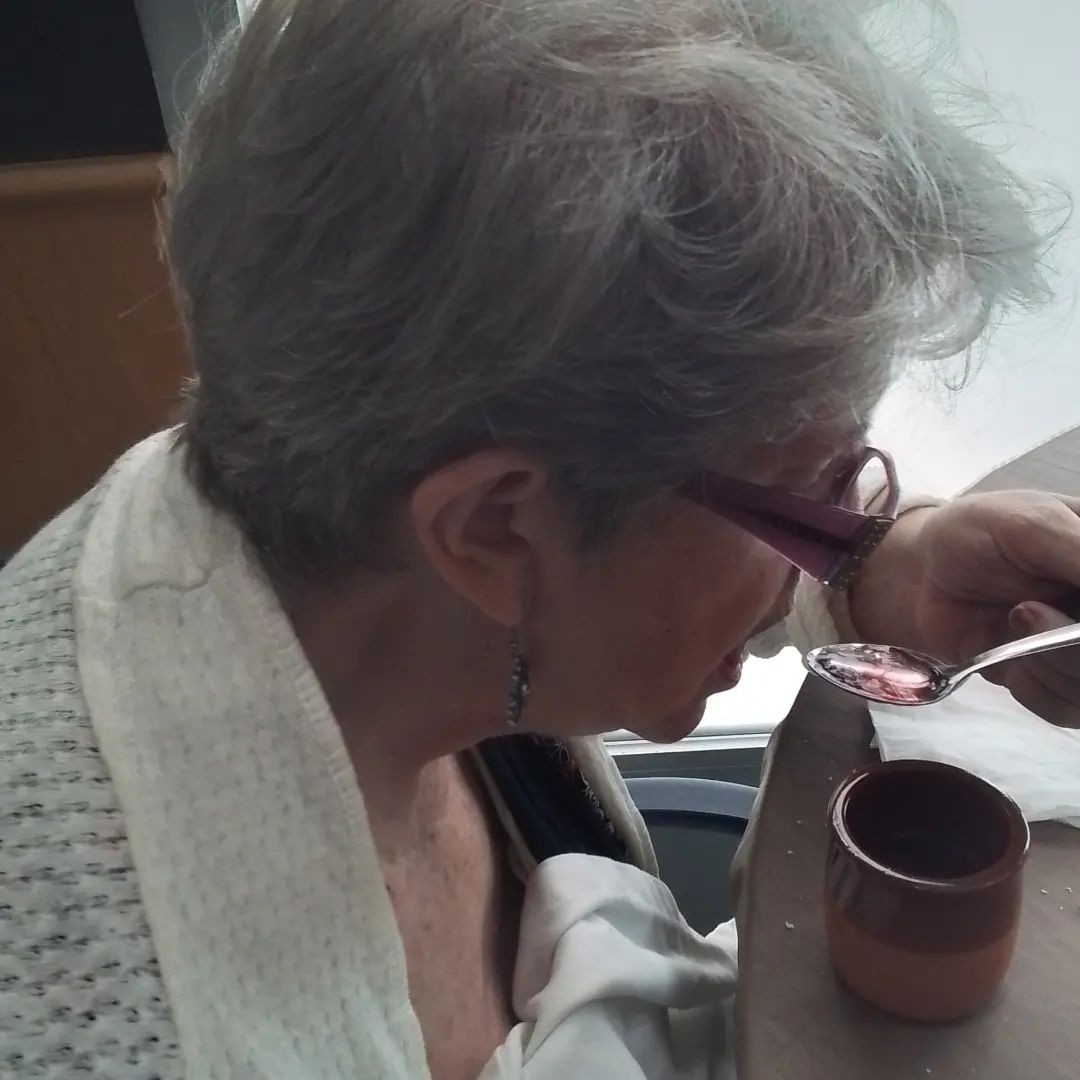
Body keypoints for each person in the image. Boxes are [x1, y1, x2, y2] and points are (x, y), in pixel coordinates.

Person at [2, 1, 1078, 1077]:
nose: (838, 538)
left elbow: (632, 536)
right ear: (492, 531)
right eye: (813, 496)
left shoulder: (330, 487)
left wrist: (883, 571)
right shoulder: (114, 1025)